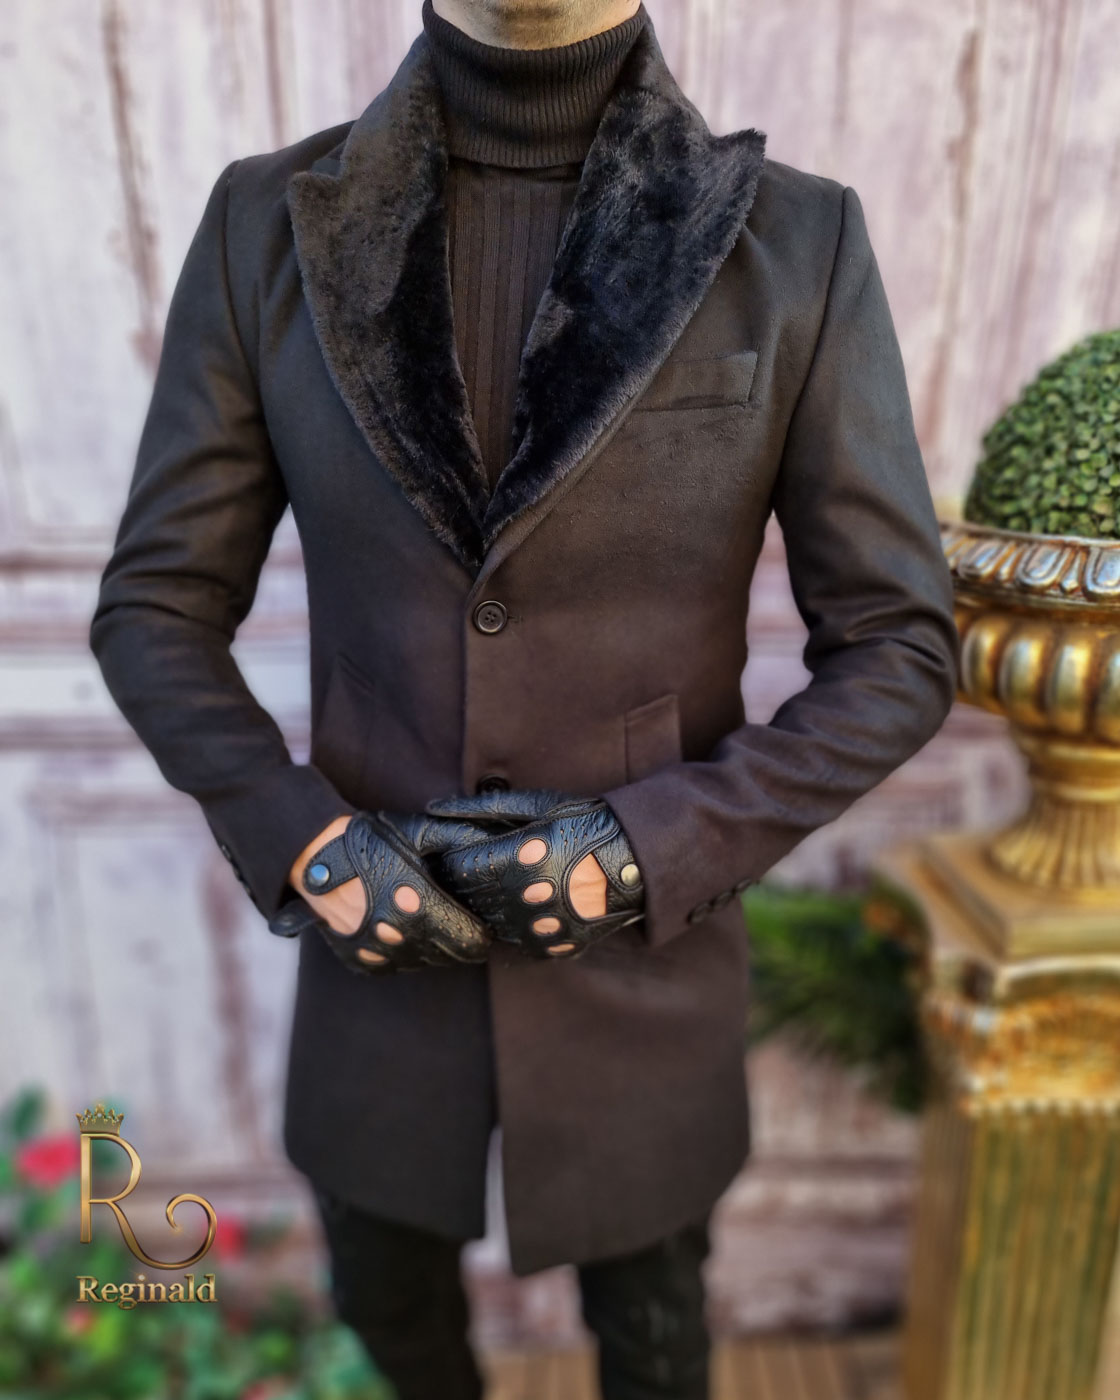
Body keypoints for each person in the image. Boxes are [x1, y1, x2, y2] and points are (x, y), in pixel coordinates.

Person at [88, 0, 960, 1394]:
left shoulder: (798, 240)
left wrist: (651, 845)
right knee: (389, 1329)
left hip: (646, 981)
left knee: (658, 1343)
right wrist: (304, 843)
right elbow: (154, 608)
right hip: (373, 960)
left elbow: (901, 646)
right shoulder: (267, 224)